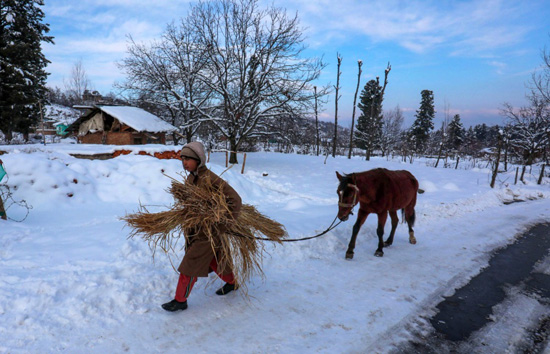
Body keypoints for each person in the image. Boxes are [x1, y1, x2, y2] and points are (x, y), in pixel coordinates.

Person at [162, 142, 242, 312]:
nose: (184, 162)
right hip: (196, 230)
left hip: (208, 233)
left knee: (190, 265)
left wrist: (224, 224)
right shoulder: (191, 178)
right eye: (182, 159)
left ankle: (180, 300)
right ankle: (232, 282)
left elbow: (235, 200)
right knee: (215, 260)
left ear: (198, 159)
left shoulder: (210, 178)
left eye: (188, 159)